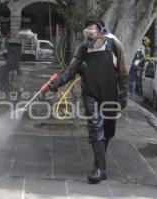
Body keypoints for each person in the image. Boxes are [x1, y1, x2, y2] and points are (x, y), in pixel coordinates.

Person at [49, 19, 129, 184]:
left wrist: (123, 95)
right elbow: (72, 70)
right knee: (95, 128)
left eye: (92, 28)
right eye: (87, 29)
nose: (88, 32)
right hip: (90, 94)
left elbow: (122, 71)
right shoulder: (83, 48)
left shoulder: (114, 45)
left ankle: (100, 167)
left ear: (101, 31)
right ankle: (99, 169)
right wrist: (58, 83)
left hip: (110, 95)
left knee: (108, 132)